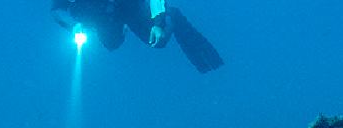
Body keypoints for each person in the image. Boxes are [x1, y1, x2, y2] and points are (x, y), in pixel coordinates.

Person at [51, 0, 224, 73]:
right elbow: (57, 10)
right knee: (112, 44)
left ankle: (173, 16)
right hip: (101, 19)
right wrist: (73, 26)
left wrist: (158, 23)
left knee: (158, 41)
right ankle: (123, 28)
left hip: (131, 9)